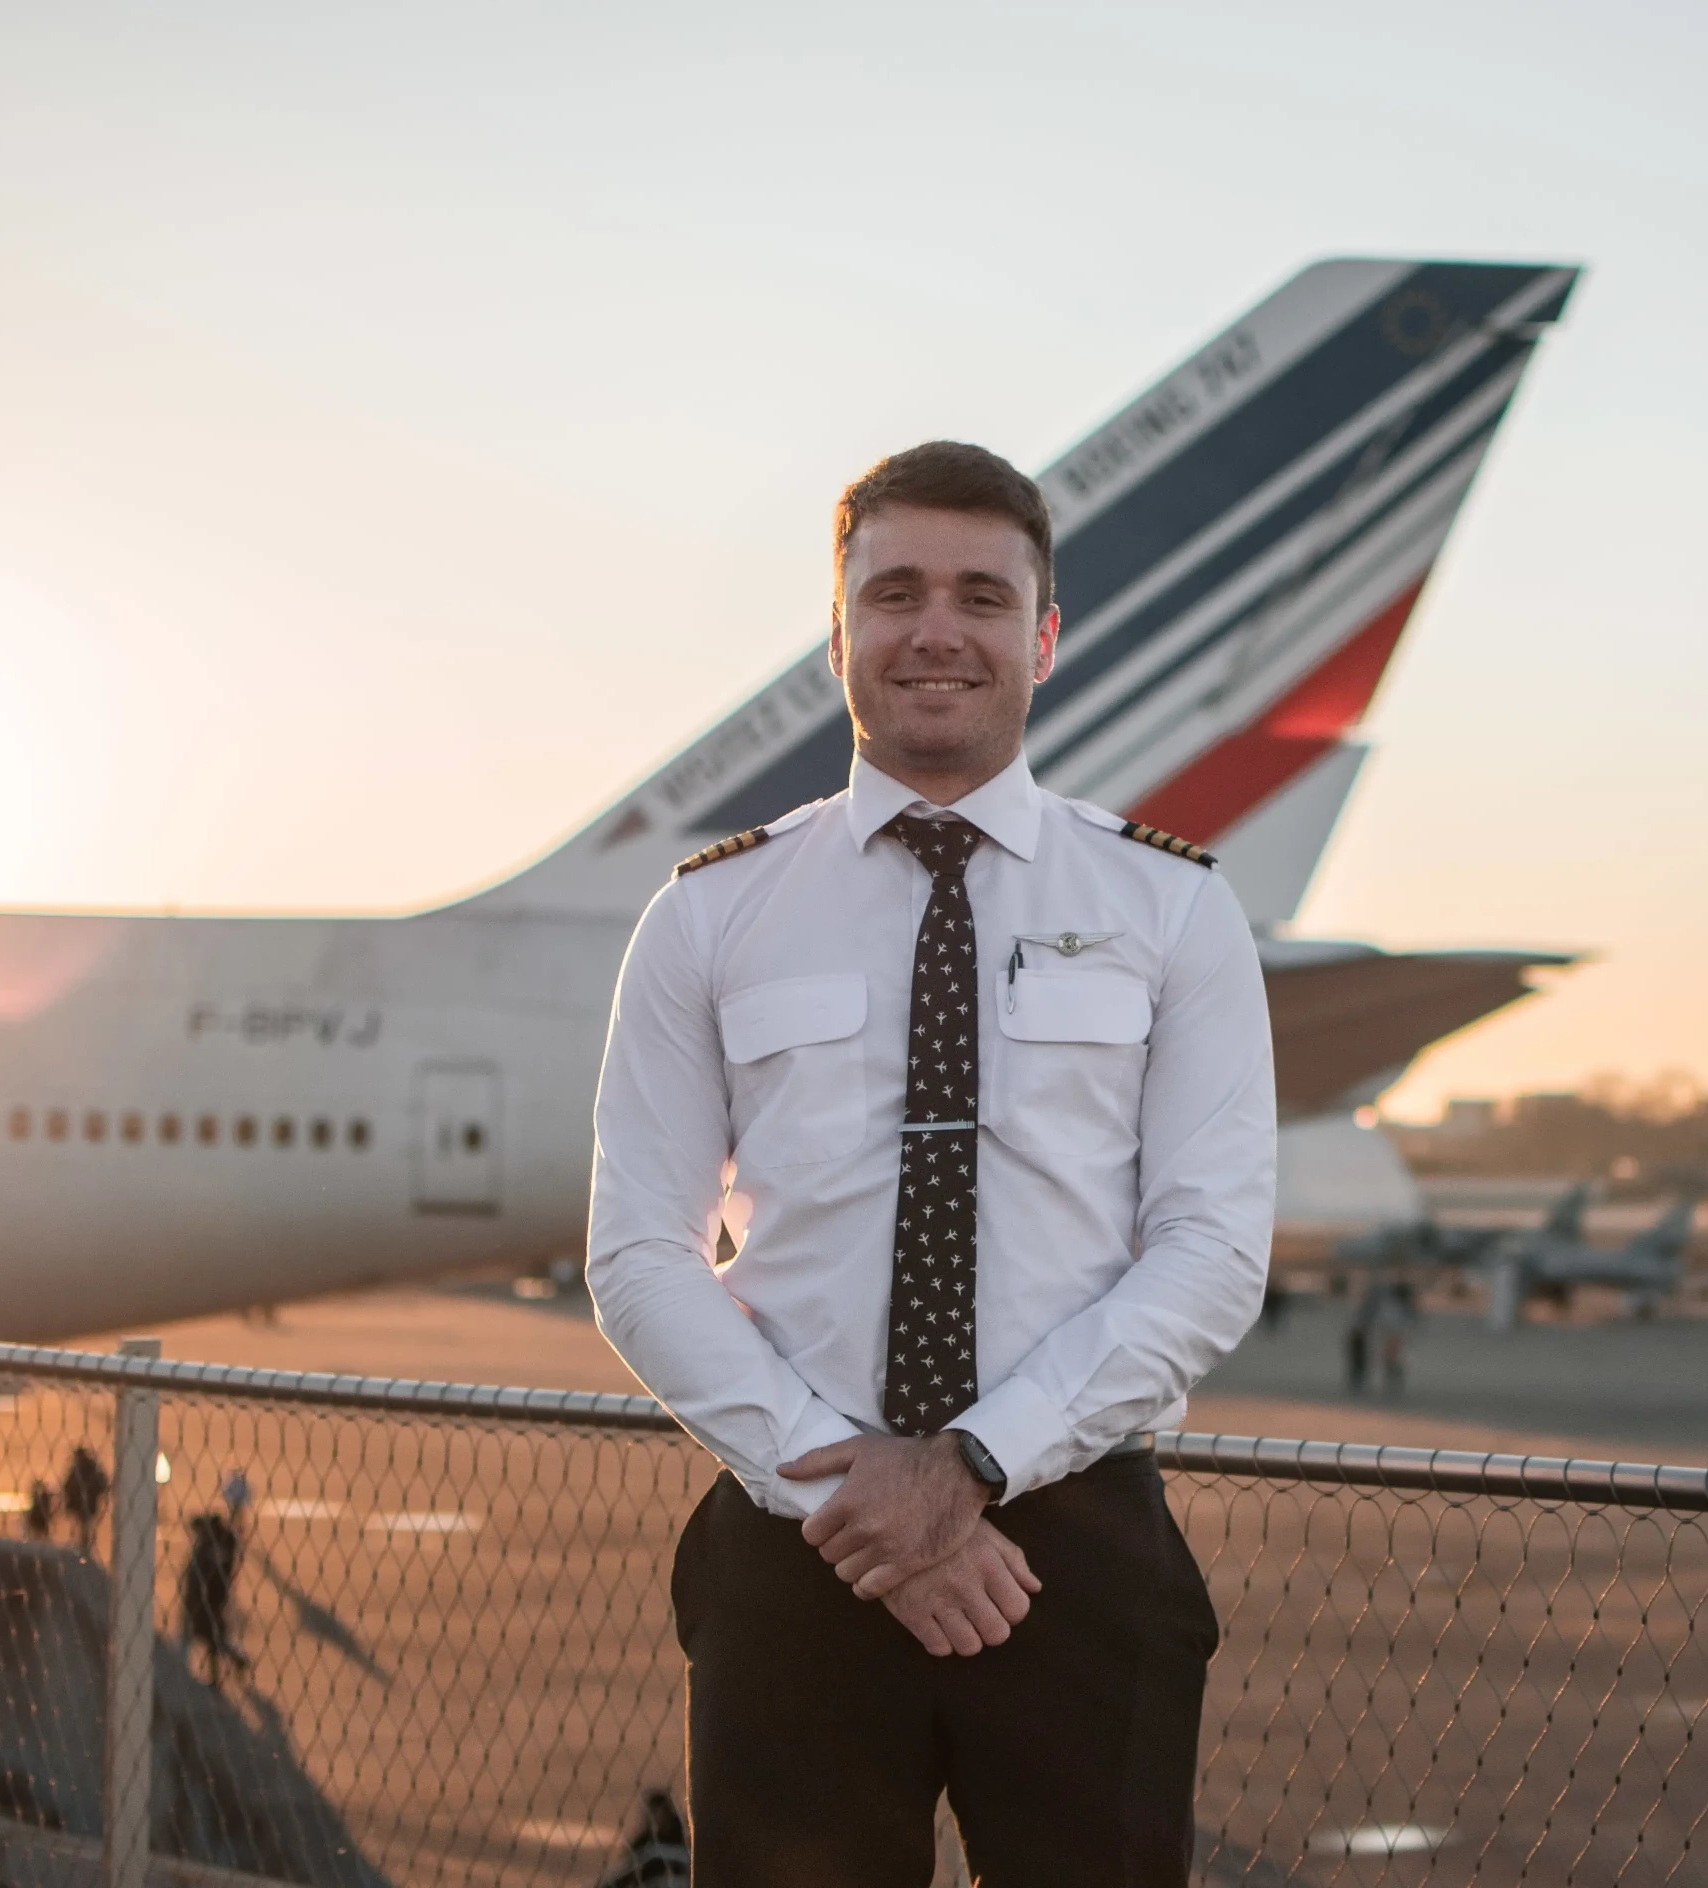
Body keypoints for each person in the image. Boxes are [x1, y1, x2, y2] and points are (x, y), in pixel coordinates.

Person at [588, 442, 1276, 1888]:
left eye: (981, 593)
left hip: (1072, 1550)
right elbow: (639, 1255)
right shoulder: (707, 917)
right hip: (798, 1548)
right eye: (892, 592)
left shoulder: (1172, 908)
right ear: (838, 633)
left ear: (1044, 636)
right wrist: (860, 1503)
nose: (935, 629)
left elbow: (1211, 1253)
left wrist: (969, 1464)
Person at [181, 1510, 250, 1688]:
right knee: (212, 1637)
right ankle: (229, 1665)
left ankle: (232, 1662)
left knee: (210, 1637)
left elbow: (203, 1574)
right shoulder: (221, 1544)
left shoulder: (214, 1547)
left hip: (209, 1598)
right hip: (213, 1597)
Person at [61, 1444, 109, 1559]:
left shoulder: (81, 1468)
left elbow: (67, 1485)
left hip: (84, 1502)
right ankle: (84, 1546)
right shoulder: (90, 1467)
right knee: (84, 1525)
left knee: (84, 1525)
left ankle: (84, 1546)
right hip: (86, 1502)